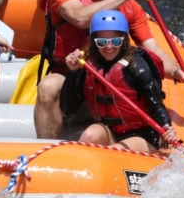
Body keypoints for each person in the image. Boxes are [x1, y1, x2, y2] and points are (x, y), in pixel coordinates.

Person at [34, 0, 184, 139]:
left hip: (107, 86)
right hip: (70, 81)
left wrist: (178, 74)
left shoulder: (126, 3)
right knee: (48, 86)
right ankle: (47, 150)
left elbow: (152, 50)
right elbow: (79, 17)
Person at [59, 10, 178, 152]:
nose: (109, 47)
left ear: (124, 40)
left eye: (115, 41)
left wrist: (166, 126)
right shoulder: (88, 65)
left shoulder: (137, 65)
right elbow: (67, 109)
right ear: (94, 41)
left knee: (114, 151)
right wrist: (72, 73)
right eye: (102, 42)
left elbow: (156, 105)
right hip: (112, 133)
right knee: (90, 136)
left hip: (143, 136)